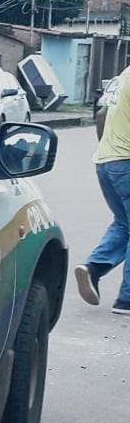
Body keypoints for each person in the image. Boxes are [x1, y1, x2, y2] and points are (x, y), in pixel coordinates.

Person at [75, 80, 130, 314]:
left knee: (124, 223)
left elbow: (101, 114)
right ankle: (127, 299)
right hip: (127, 161)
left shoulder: (123, 76)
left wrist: (111, 152)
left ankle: (94, 269)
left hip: (107, 161)